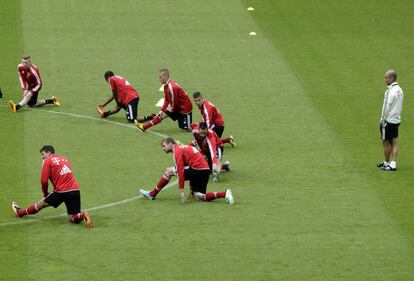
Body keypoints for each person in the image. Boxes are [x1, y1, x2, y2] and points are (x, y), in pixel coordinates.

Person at [11, 145, 93, 228]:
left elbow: (44, 181)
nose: (42, 157)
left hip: (61, 192)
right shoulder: (65, 159)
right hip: (75, 190)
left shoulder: (48, 161)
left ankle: (20, 213)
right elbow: (63, 176)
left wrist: (45, 193)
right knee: (73, 218)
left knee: (41, 204)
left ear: (49, 153)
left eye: (43, 154)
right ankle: (83, 215)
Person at [139, 137, 234, 205]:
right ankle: (225, 194)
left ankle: (152, 194)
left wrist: (181, 191)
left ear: (170, 144)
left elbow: (181, 171)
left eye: (164, 146)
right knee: (200, 196)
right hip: (205, 171)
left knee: (168, 171)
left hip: (198, 169)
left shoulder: (177, 151)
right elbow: (189, 166)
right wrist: (192, 188)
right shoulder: (182, 147)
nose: (163, 149)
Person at [377, 69, 404, 171]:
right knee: (394, 141)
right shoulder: (400, 90)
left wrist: (382, 120)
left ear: (392, 78)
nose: (385, 80)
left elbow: (386, 107)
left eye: (386, 78)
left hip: (388, 121)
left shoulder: (389, 91)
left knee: (386, 142)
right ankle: (393, 164)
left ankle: (386, 163)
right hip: (396, 120)